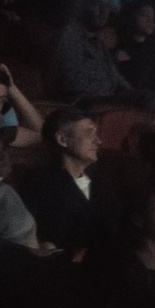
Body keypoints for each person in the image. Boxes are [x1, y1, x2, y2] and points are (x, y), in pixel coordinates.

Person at [25, 108, 113, 254]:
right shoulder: (39, 183)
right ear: (62, 140)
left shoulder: (102, 185)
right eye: (89, 133)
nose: (99, 141)